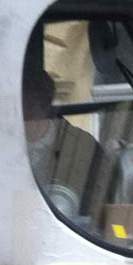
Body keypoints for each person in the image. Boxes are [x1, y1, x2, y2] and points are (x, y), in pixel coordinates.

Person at [23, 67, 112, 224]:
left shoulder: (83, 148)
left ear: (45, 105)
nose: (23, 113)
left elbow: (103, 205)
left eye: (29, 105)